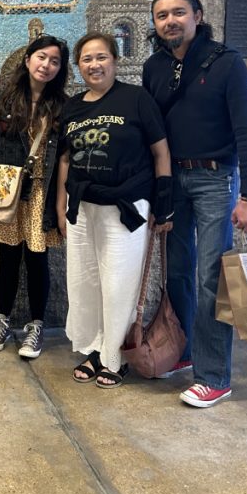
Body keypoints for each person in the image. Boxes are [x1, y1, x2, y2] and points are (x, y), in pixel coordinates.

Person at [142, 0, 247, 408]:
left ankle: (214, 376)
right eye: (161, 15)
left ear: (197, 14)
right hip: (172, 181)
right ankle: (187, 350)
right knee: (177, 273)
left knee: (212, 278)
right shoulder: (154, 67)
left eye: (178, 12)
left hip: (215, 181)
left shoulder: (227, 63)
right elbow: (151, 132)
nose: (170, 21)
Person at [57, 33, 173, 388]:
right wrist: (61, 205)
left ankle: (116, 357)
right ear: (79, 66)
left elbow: (161, 152)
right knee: (85, 283)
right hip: (83, 208)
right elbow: (64, 158)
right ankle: (94, 349)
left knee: (118, 283)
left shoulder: (136, 99)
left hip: (126, 207)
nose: (95, 64)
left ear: (115, 61)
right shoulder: (73, 107)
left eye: (101, 57)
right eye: (87, 59)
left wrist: (164, 203)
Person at [0, 36, 69, 359]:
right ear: (27, 60)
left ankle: (36, 326)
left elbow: (67, 158)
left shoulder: (63, 107)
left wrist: (64, 205)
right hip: (6, 192)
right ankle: (3, 321)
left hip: (42, 191)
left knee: (38, 259)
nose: (46, 65)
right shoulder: (4, 102)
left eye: (54, 61)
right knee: (7, 258)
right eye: (41, 57)